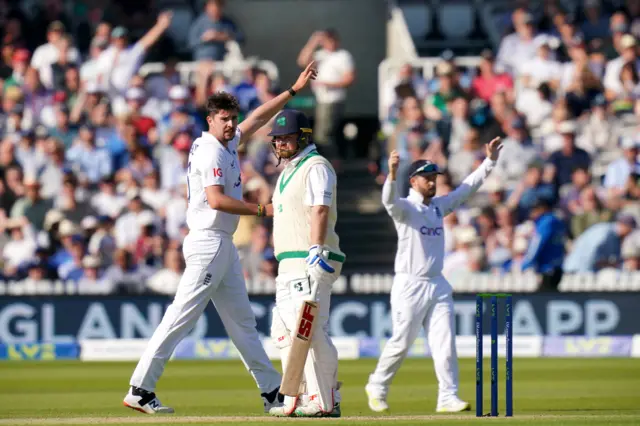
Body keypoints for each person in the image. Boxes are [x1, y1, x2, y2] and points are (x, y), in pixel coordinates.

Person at [123, 62, 318, 415]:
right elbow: (215, 200)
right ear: (210, 120)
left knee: (243, 323)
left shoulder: (226, 142)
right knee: (180, 317)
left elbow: (257, 118)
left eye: (232, 118)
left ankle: (272, 391)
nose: (230, 124)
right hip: (208, 241)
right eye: (223, 119)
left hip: (221, 245)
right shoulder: (211, 149)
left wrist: (292, 90)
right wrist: (262, 211)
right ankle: (140, 388)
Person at [365, 137, 503, 413]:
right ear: (414, 181)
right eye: (427, 177)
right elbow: (388, 200)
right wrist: (391, 174)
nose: (432, 181)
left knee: (445, 342)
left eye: (434, 177)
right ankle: (377, 386)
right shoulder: (405, 208)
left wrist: (489, 161)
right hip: (410, 284)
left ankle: (447, 396)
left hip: (438, 283)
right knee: (402, 341)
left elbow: (467, 188)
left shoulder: (439, 206)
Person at [266, 110, 345, 418]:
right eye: (278, 139)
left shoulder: (317, 166)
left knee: (308, 330)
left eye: (287, 138)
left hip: (308, 259)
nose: (282, 144)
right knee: (283, 331)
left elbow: (320, 209)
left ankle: (324, 399)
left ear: (304, 136)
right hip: (288, 262)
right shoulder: (288, 171)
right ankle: (295, 398)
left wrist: (316, 247)